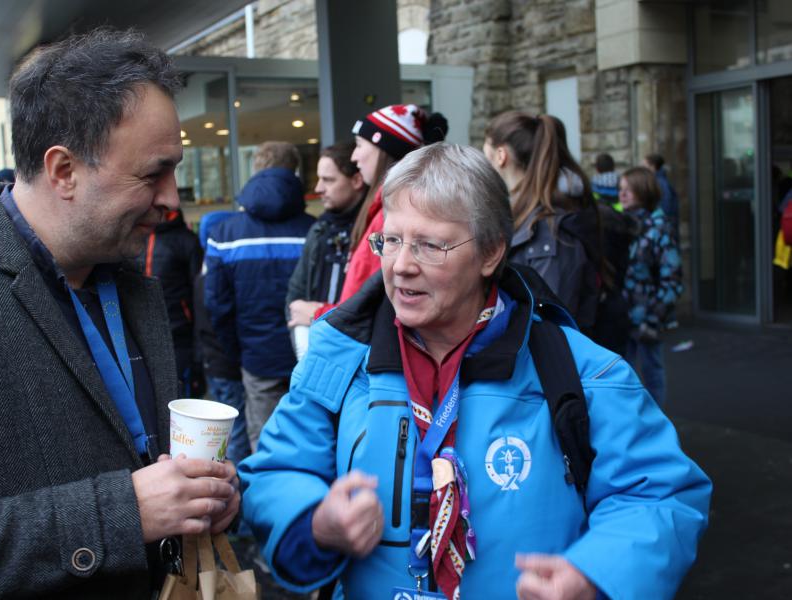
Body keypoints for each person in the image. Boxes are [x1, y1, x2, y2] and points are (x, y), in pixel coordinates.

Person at [239, 143, 711, 600]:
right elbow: (277, 470)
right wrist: (315, 523)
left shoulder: (579, 370)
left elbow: (658, 495)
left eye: (429, 245)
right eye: (391, 240)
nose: (401, 266)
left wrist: (596, 572)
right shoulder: (338, 359)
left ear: (490, 253)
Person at [0, 29, 239, 599]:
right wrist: (119, 515)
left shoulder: (131, 283)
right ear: (63, 171)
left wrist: (200, 498)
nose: (173, 198)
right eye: (153, 174)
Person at [205, 141, 315, 451]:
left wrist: (238, 352)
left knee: (266, 447)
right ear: (294, 172)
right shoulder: (316, 231)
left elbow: (217, 305)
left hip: (256, 357)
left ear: (255, 170)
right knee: (310, 443)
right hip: (310, 357)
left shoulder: (226, 234)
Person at [310, 105, 448, 322]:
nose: (354, 157)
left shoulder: (392, 210)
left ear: (384, 149)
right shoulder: (383, 206)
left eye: (359, 145)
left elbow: (370, 300)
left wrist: (316, 313)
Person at [483, 111, 600, 330]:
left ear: (501, 156)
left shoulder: (552, 231)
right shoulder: (525, 215)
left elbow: (551, 322)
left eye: (485, 155)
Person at [619, 167, 684, 407]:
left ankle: (656, 435)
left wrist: (653, 317)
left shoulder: (659, 228)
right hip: (623, 317)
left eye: (628, 190)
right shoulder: (623, 224)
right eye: (620, 189)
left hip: (647, 318)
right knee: (621, 377)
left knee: (651, 374)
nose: (622, 195)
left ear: (643, 191)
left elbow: (673, 279)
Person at [286, 140, 365, 333]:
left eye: (328, 180)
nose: (318, 188)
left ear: (356, 181)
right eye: (319, 179)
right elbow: (294, 297)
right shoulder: (318, 230)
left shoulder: (374, 231)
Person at [195, 210, 250, 466]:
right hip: (227, 366)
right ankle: (231, 486)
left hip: (212, 364)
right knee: (235, 433)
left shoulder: (201, 277)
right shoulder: (219, 281)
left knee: (221, 433)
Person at [140, 207, 206, 397]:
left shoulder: (187, 241)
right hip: (140, 333)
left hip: (179, 336)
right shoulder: (135, 237)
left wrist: (199, 353)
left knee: (180, 397)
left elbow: (199, 298)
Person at [644, 153, 679, 231]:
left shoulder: (660, 183)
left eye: (645, 166)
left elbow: (666, 207)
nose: (643, 169)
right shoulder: (657, 181)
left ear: (652, 167)